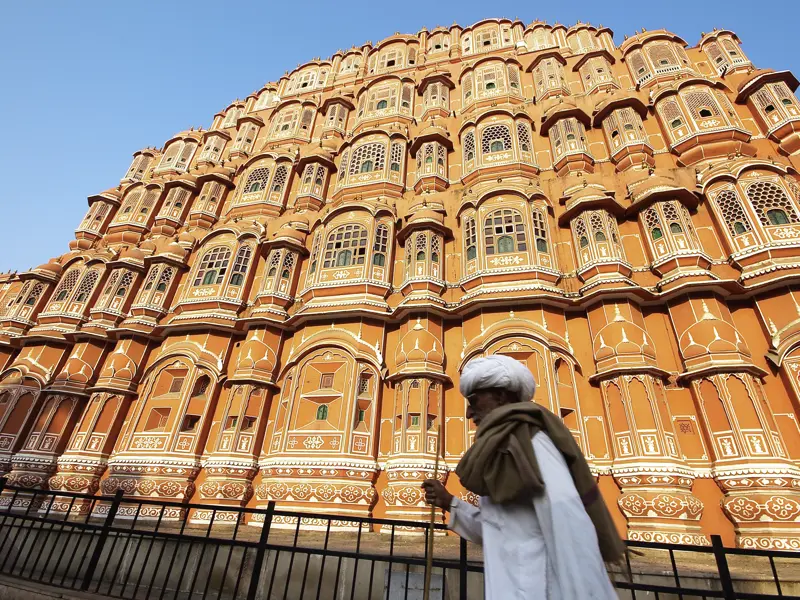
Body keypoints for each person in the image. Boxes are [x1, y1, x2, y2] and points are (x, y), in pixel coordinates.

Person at [422, 354, 624, 599]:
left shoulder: (533, 444)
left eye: (474, 401)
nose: (468, 413)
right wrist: (450, 503)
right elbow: (500, 528)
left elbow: (571, 529)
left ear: (502, 396)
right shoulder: (500, 452)